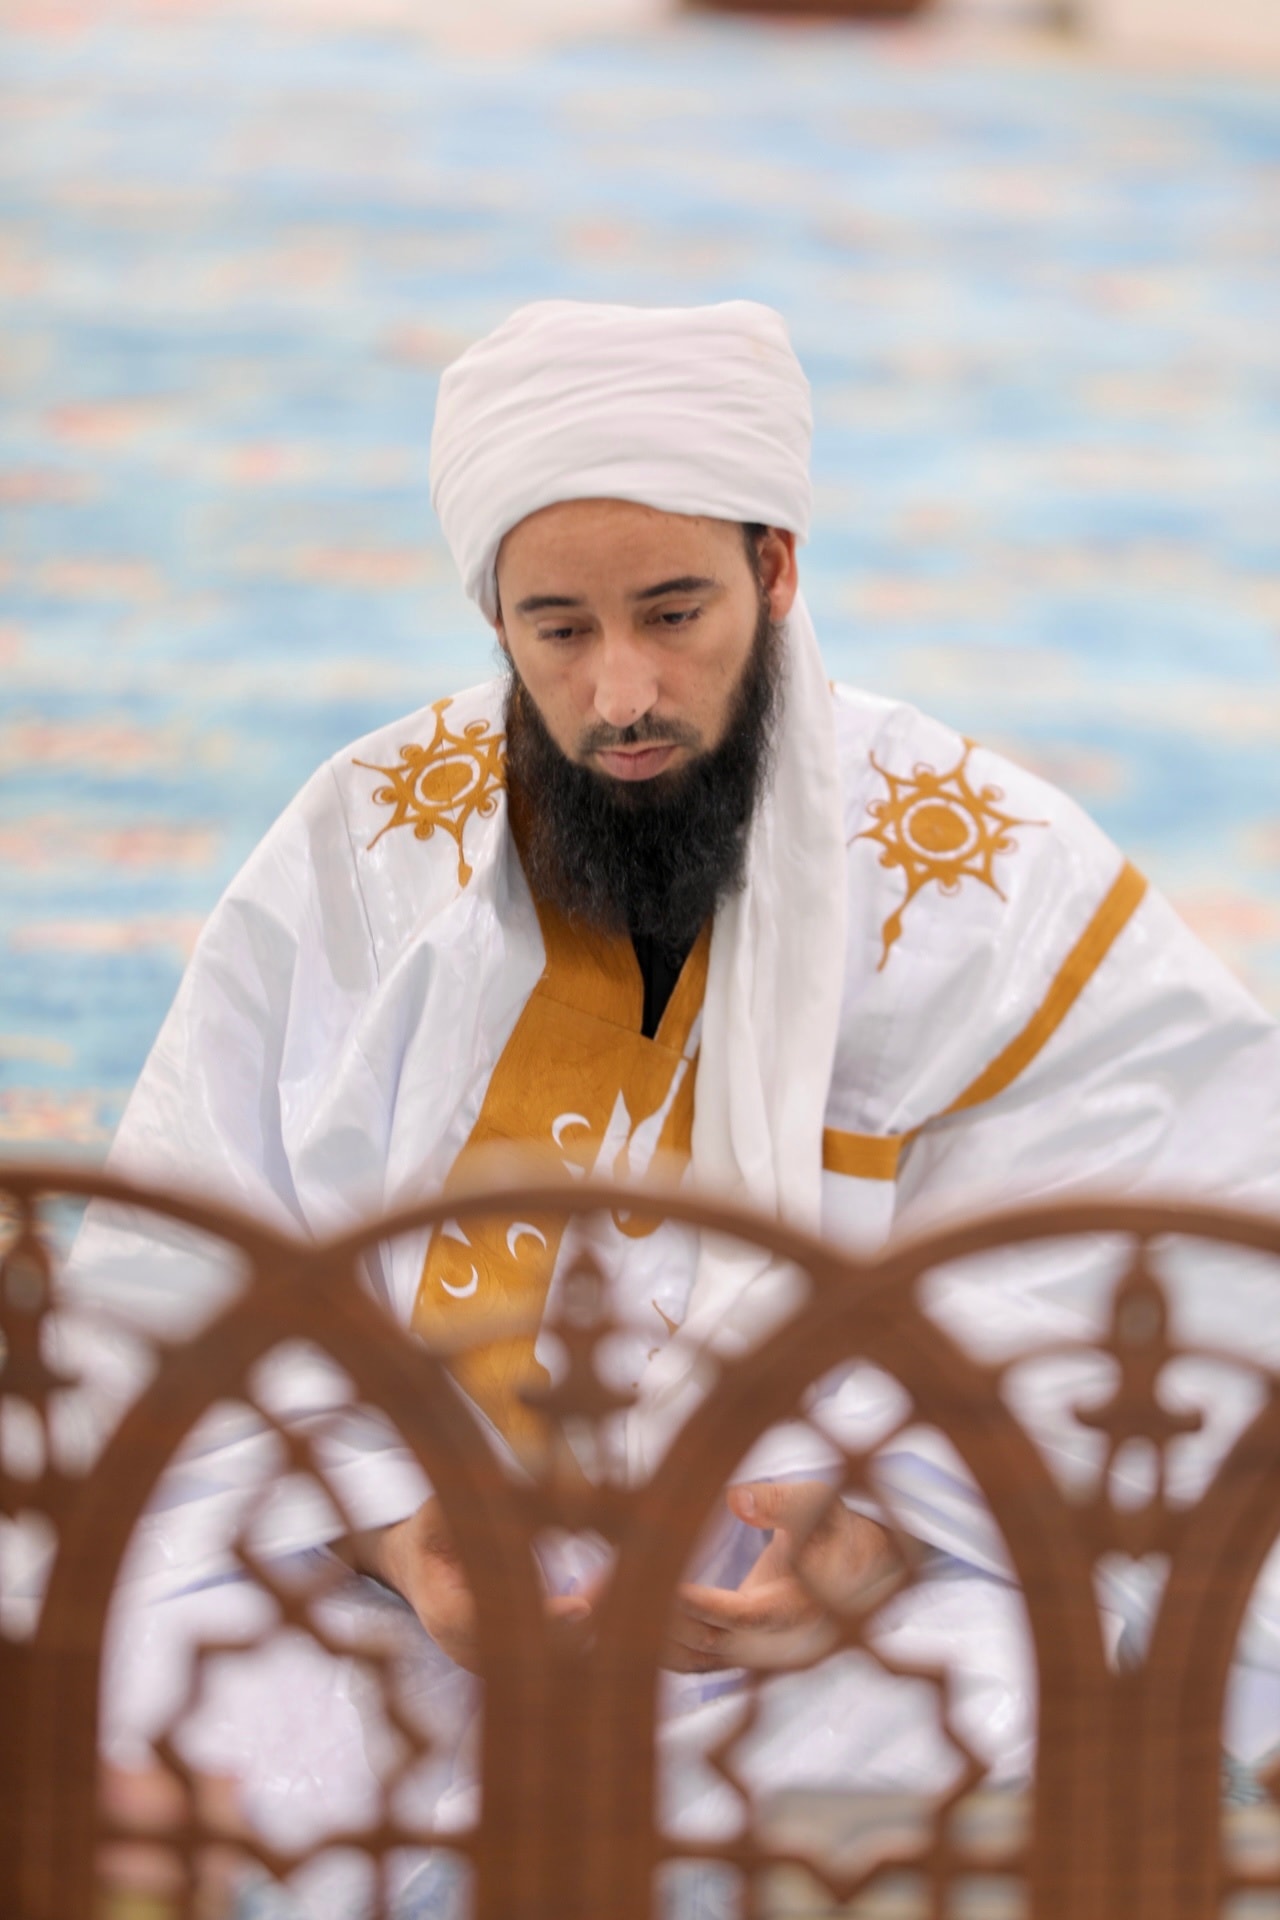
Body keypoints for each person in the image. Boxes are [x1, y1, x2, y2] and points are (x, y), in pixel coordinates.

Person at [65, 300, 1280, 1918]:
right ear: (493, 620)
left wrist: (873, 1538)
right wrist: (394, 1534)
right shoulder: (368, 850)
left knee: (1004, 1722)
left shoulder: (989, 883)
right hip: (398, 1599)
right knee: (116, 1696)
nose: (621, 691)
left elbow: (1177, 1299)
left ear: (776, 571)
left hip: (817, 1637)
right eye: (558, 630)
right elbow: (180, 1303)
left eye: (674, 613)